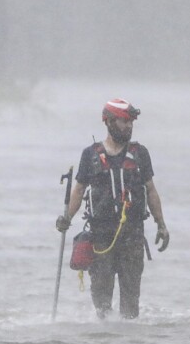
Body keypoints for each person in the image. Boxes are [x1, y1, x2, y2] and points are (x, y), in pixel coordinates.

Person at [56, 98, 171, 319]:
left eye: (130, 122)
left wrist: (161, 225)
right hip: (101, 238)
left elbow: (151, 190)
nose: (128, 126)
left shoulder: (140, 154)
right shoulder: (90, 155)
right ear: (108, 122)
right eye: (123, 121)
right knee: (102, 303)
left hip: (133, 236)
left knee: (130, 303)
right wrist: (66, 218)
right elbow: (79, 190)